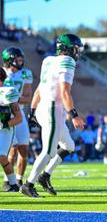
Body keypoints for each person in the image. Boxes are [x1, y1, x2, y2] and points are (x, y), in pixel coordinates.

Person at [21, 34, 85, 198]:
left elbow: (39, 88)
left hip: (45, 107)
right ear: (68, 48)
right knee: (48, 151)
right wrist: (74, 114)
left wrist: (33, 111)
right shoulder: (67, 61)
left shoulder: (48, 60)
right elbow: (65, 92)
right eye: (76, 48)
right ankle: (28, 184)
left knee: (68, 146)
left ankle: (45, 175)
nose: (77, 52)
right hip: (52, 109)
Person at [1, 47, 33, 190]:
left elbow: (27, 98)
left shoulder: (26, 74)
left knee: (24, 149)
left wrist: (13, 99)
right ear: (9, 60)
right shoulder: (2, 73)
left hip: (17, 110)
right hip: (4, 112)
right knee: (11, 149)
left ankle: (19, 180)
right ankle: (8, 180)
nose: (21, 62)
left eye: (21, 59)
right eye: (17, 59)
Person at [0, 68, 22, 192]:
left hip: (5, 129)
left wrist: (3, 124)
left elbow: (18, 118)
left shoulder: (8, 92)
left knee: (2, 157)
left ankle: (13, 184)